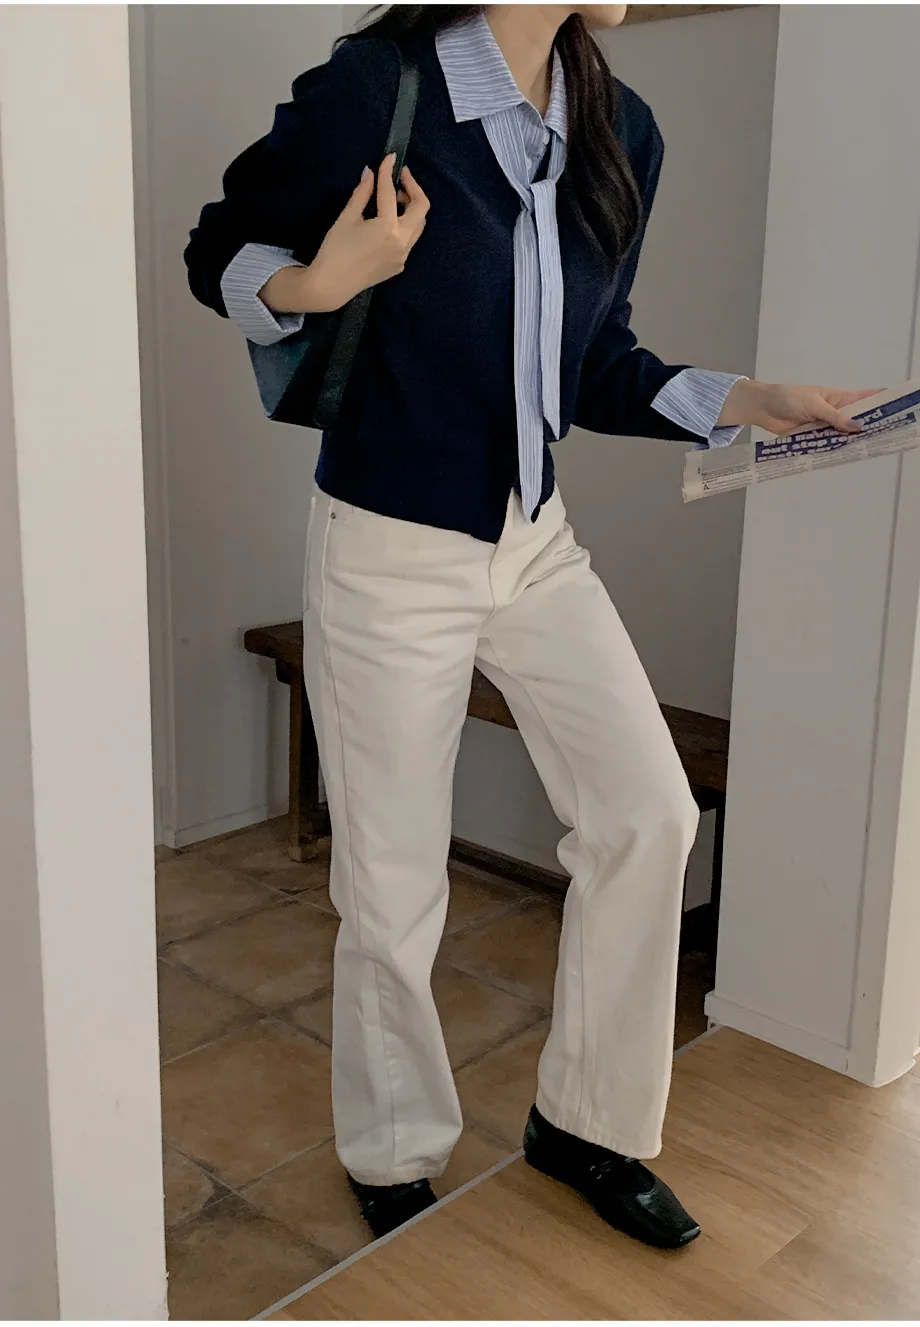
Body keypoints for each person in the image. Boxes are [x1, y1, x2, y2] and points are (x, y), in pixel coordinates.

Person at [185, 4, 871, 1250]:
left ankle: (585, 1125)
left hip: (533, 539)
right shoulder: (378, 86)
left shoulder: (621, 128)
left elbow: (592, 363)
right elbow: (217, 249)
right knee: (392, 880)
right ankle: (392, 1148)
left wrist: (746, 399)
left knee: (646, 813)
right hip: (388, 547)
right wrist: (319, 283)